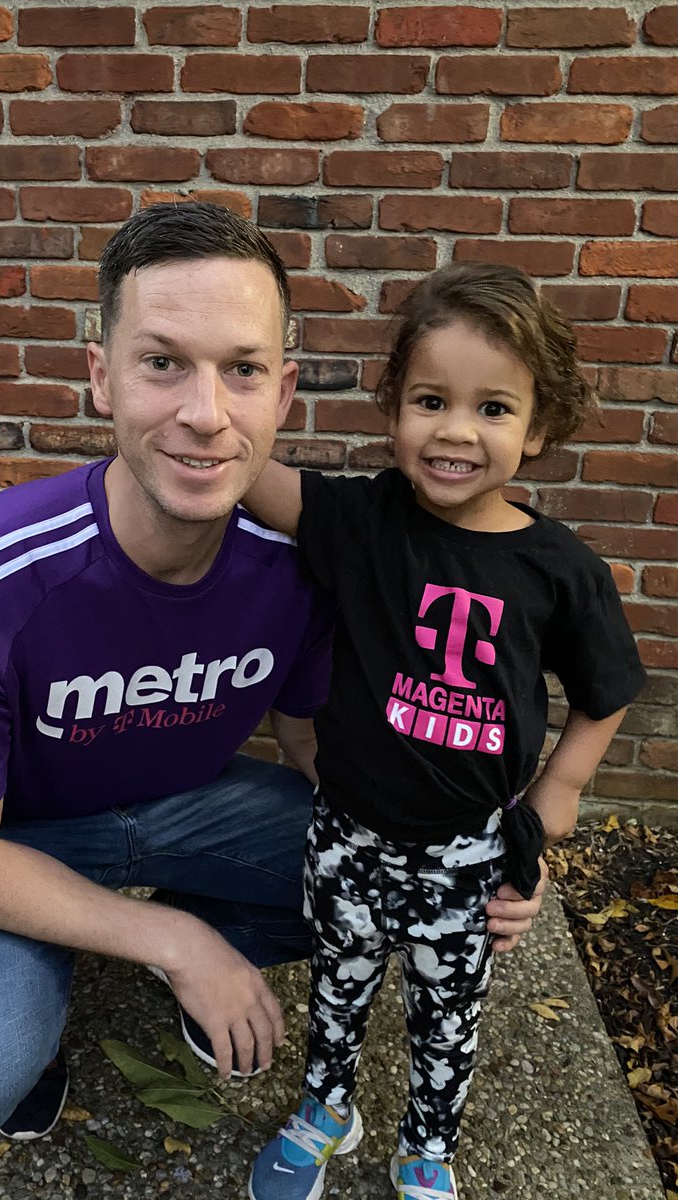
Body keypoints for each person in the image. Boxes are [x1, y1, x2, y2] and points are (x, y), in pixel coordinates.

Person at [0, 206, 545, 1146]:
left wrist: (471, 852)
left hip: (196, 805)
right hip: (13, 836)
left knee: (403, 889)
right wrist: (176, 946)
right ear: (101, 377)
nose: (206, 412)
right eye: (162, 362)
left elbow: (320, 746)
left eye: (243, 369)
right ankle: (89, 968)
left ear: (285, 392)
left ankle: (191, 926)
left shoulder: (305, 561)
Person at [244, 263, 645, 1200]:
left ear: (540, 428)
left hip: (467, 852)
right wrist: (207, 413)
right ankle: (325, 1108)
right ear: (394, 410)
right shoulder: (361, 519)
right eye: (430, 400)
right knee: (336, 986)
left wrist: (558, 794)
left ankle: (428, 1146)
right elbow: (253, 480)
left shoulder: (561, 570)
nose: (456, 430)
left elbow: (609, 690)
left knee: (448, 1013)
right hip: (346, 830)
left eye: (494, 408)